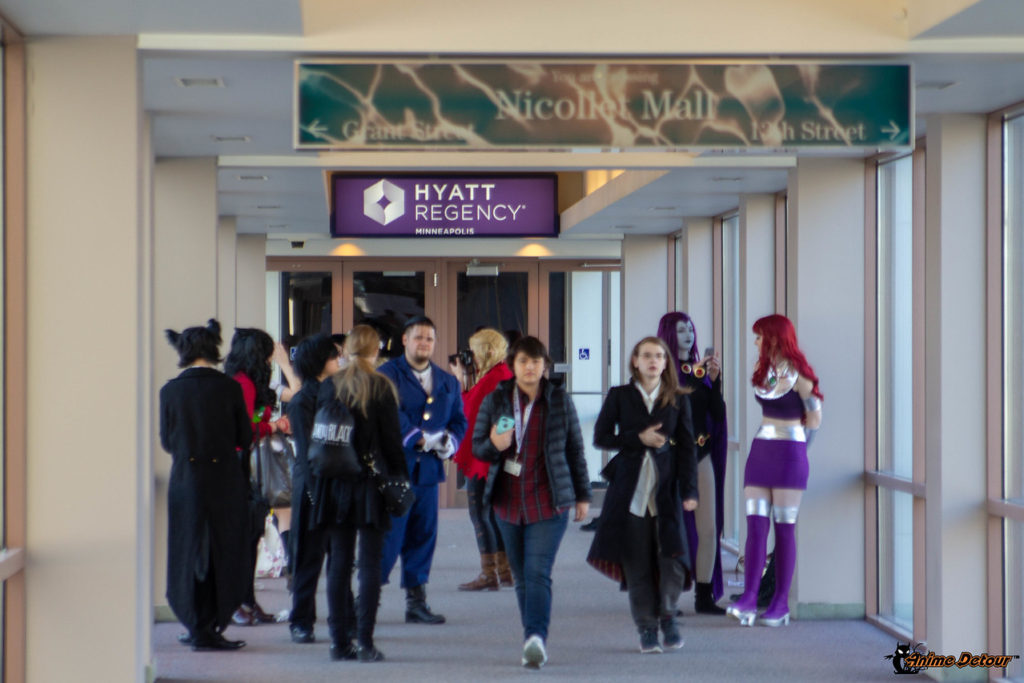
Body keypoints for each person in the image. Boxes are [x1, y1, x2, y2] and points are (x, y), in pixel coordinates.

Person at [472, 336, 591, 669]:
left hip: (548, 502)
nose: (530, 367)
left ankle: (535, 638)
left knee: (538, 572)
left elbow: (575, 451)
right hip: (507, 503)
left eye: (536, 362)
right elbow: (478, 447)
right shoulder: (498, 401)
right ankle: (532, 635)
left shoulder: (559, 401)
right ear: (513, 365)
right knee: (521, 577)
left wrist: (582, 495)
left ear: (545, 367)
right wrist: (495, 443)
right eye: (524, 361)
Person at [586, 337, 698, 653]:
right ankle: (646, 629)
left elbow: (688, 449)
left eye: (659, 356)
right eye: (646, 355)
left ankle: (667, 616)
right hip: (630, 493)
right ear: (635, 361)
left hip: (666, 492)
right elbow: (601, 437)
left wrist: (690, 490)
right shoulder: (620, 396)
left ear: (665, 363)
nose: (653, 361)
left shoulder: (677, 399)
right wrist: (637, 437)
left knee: (674, 560)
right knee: (638, 566)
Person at [310, 325, 409, 661]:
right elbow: (393, 444)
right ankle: (365, 642)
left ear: (346, 350)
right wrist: (401, 479)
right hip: (369, 484)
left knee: (338, 563)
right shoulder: (381, 386)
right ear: (375, 351)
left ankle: (339, 643)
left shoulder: (329, 386)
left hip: (334, 482)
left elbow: (319, 434)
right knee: (369, 564)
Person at [159, 319, 252, 651]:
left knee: (187, 550)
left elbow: (167, 441)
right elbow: (245, 436)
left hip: (185, 479)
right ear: (214, 348)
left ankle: (194, 622)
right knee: (222, 550)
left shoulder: (170, 391)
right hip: (224, 478)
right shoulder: (229, 388)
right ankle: (212, 623)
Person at [726, 314, 822, 627]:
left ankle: (780, 602)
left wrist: (799, 451)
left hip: (789, 454)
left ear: (774, 338)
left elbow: (815, 421)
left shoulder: (802, 378)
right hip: (761, 451)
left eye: (759, 336)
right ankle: (749, 597)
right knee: (755, 526)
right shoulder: (764, 371)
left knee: (783, 527)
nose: (755, 342)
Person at [377, 316, 468, 624]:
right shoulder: (386, 374)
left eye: (429, 339)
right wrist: (419, 439)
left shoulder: (447, 381)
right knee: (388, 538)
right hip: (394, 470)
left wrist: (450, 442)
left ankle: (416, 602)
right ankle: (367, 601)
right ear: (405, 339)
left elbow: (459, 420)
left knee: (423, 536)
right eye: (418, 337)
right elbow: (387, 414)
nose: (424, 344)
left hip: (428, 473)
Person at [656, 311, 728, 614]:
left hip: (700, 455)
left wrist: (713, 380)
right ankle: (666, 596)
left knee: (708, 527)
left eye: (691, 329)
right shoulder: (660, 371)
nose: (689, 335)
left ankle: (704, 594)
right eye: (682, 330)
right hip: (670, 458)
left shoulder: (699, 372)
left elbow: (717, 414)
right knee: (670, 528)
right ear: (670, 334)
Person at [223, 327, 285, 626]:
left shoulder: (239, 380)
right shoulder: (243, 384)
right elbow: (246, 431)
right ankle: (238, 602)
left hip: (243, 466)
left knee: (251, 538)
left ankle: (246, 601)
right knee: (246, 539)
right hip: (240, 468)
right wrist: (273, 427)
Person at [285, 334, 341, 646]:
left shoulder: (340, 394)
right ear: (320, 362)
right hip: (312, 489)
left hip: (340, 485)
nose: (339, 361)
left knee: (342, 558)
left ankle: (341, 618)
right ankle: (301, 621)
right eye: (334, 357)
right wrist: (314, 494)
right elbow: (306, 454)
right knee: (308, 559)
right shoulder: (301, 401)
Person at [451, 328, 514, 591]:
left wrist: (460, 381)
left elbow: (468, 410)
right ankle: (505, 570)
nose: (471, 357)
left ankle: (489, 575)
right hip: (494, 455)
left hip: (485, 457)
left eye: (475, 350)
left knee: (480, 514)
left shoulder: (494, 378)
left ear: (487, 351)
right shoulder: (502, 374)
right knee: (492, 514)